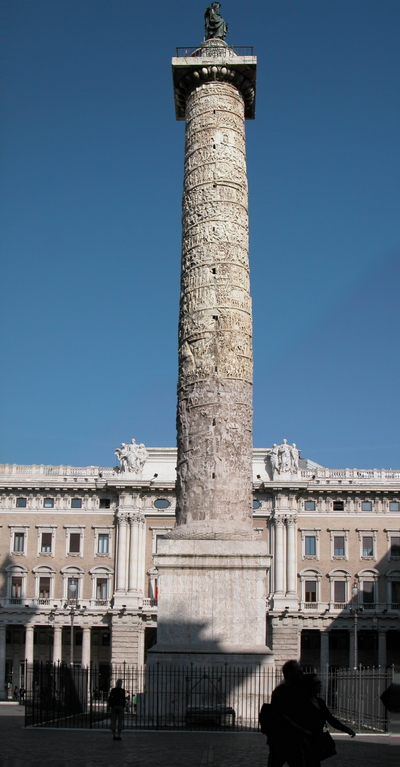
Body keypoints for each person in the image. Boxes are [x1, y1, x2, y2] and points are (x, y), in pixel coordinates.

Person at [300, 674, 355, 767]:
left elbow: (330, 719)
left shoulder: (320, 702)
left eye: (320, 683)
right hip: (306, 740)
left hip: (317, 738)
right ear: (310, 685)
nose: (320, 685)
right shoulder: (302, 702)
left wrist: (347, 729)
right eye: (317, 683)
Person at [266, 660, 311, 767]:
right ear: (290, 673)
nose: (302, 674)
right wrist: (303, 731)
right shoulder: (280, 692)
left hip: (296, 741)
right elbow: (282, 716)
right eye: (299, 672)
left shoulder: (299, 691)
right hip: (280, 741)